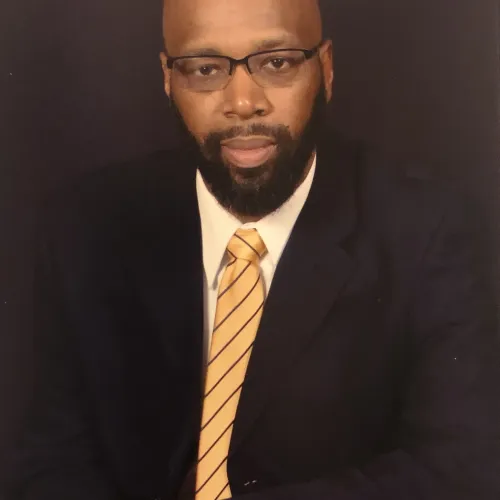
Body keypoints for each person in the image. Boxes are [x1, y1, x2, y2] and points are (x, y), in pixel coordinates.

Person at [8, 0, 500, 499]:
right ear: (167, 79)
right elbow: (50, 460)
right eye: (205, 69)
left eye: (277, 62)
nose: (243, 103)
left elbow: (461, 468)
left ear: (325, 70)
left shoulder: (431, 232)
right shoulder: (86, 228)